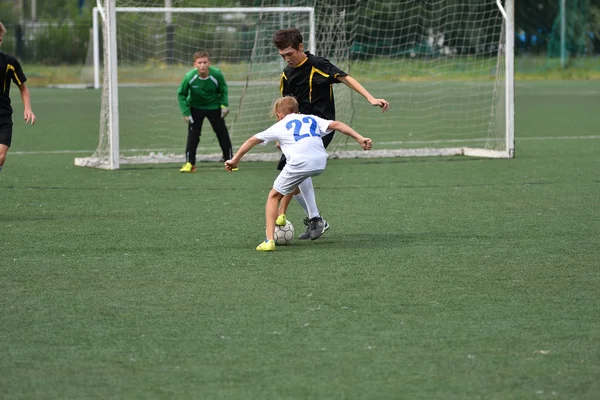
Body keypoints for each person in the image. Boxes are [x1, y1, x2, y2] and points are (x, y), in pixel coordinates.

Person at [272, 27, 388, 239]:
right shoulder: (286, 75)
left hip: (321, 128)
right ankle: (316, 219)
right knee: (292, 172)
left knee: (295, 167)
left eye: (290, 53)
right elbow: (286, 109)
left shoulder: (318, 65)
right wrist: (282, 135)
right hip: (298, 133)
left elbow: (345, 78)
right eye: (282, 56)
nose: (287, 59)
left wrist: (370, 98)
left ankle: (310, 217)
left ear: (300, 47)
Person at [224, 96, 372, 251]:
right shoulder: (310, 118)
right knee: (299, 179)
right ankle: (309, 217)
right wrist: (359, 138)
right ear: (297, 111)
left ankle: (269, 240)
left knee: (273, 196)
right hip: (320, 161)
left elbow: (252, 140)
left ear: (279, 115)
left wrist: (234, 160)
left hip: (300, 163)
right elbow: (337, 124)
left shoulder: (280, 125)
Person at [177, 51, 232, 173]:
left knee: (222, 133)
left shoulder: (216, 74)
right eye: (199, 63)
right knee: (193, 136)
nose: (202, 65)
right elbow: (181, 94)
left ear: (209, 63)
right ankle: (190, 163)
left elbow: (223, 89)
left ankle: (230, 161)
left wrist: (224, 105)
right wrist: (185, 112)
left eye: (205, 62)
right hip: (195, 108)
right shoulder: (189, 77)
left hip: (214, 107)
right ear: (194, 64)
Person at [0, 22, 36, 173]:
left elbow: (23, 87)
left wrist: (28, 108)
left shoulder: (9, 63)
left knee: (1, 156)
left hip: (3, 116)